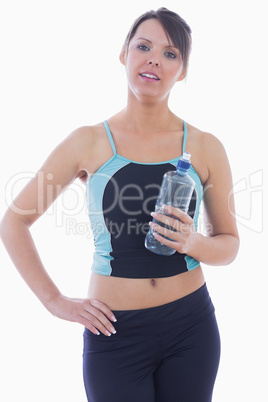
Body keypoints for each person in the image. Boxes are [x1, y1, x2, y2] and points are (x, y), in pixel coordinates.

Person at [0, 7, 239, 402]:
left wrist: (193, 242)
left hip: (192, 327)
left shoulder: (205, 147)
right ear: (123, 53)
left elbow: (229, 243)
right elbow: (14, 222)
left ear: (183, 71)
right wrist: (54, 301)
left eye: (170, 53)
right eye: (143, 46)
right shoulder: (88, 142)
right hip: (115, 332)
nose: (153, 60)